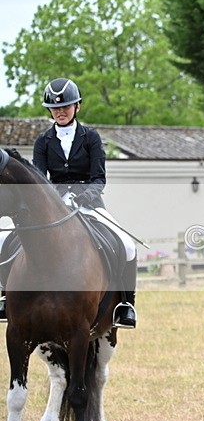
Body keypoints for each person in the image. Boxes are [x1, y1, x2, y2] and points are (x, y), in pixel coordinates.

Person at [0, 78, 138, 327]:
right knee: (6, 241)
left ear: (77, 107)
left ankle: (126, 305)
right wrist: (54, 198)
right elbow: (40, 179)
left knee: (127, 245)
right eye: (54, 108)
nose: (60, 111)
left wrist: (84, 196)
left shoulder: (91, 137)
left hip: (89, 202)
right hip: (53, 203)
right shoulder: (43, 141)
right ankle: (4, 297)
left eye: (66, 106)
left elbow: (99, 178)